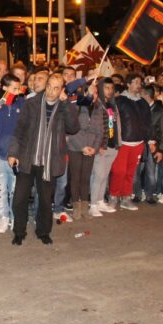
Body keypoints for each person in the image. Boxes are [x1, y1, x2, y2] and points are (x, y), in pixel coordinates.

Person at [7, 73, 79, 246]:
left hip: (49, 161)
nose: (52, 92)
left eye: (56, 88)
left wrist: (66, 103)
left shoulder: (64, 107)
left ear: (62, 90)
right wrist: (13, 153)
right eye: (49, 86)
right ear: (46, 85)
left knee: (46, 201)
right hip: (27, 158)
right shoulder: (31, 103)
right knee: (19, 199)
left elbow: (74, 127)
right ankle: (19, 231)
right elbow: (19, 130)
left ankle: (43, 231)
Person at [107, 73, 153, 212]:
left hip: (138, 143)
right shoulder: (119, 100)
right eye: (135, 82)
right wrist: (112, 139)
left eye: (140, 83)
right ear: (128, 84)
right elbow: (111, 122)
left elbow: (148, 123)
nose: (138, 85)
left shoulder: (143, 102)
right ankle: (113, 196)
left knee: (130, 172)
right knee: (118, 171)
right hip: (123, 142)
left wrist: (150, 140)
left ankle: (126, 198)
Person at [0, 74, 24, 233]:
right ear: (4, 88)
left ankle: (15, 217)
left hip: (16, 155)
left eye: (19, 88)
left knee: (16, 190)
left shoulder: (22, 104)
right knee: (0, 189)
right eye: (14, 89)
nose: (17, 91)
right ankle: (3, 217)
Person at [65, 78, 103, 219]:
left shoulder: (98, 108)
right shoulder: (77, 106)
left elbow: (100, 131)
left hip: (91, 147)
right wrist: (82, 146)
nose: (94, 94)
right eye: (91, 91)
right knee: (75, 177)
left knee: (86, 178)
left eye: (96, 92)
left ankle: (84, 207)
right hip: (76, 146)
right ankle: (75, 206)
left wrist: (94, 147)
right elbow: (71, 129)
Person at [90, 78, 119, 216]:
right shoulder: (97, 105)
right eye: (106, 88)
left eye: (111, 88)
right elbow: (96, 127)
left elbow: (116, 125)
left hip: (113, 145)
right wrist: (99, 144)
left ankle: (100, 200)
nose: (109, 90)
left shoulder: (112, 105)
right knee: (98, 176)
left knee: (105, 176)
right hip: (102, 146)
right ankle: (93, 204)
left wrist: (119, 142)